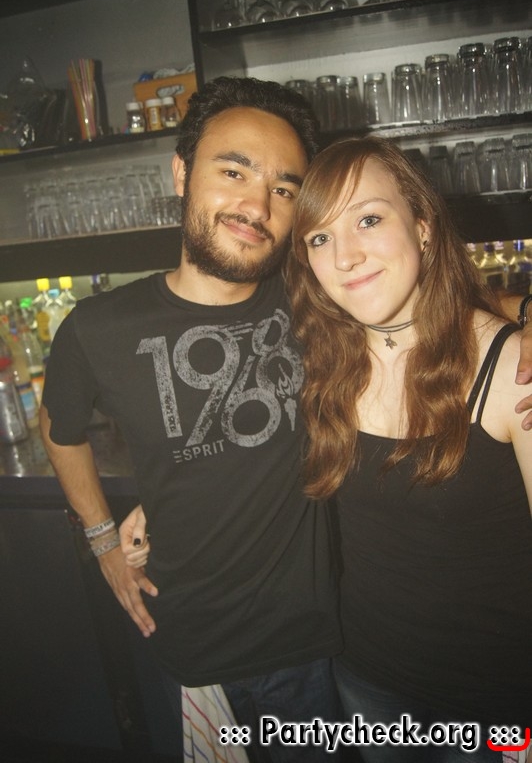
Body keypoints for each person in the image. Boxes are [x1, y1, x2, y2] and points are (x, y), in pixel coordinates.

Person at [39, 76, 345, 763]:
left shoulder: (321, 298)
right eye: (233, 171)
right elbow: (61, 433)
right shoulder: (96, 328)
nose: (257, 206)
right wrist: (103, 542)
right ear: (181, 174)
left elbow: (432, 302)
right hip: (194, 648)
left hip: (314, 647)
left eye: (284, 189)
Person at [285, 135, 532, 762]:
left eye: (369, 219)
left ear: (423, 226)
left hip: (496, 700)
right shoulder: (321, 363)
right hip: (367, 680)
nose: (346, 256)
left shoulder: (512, 369)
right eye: (320, 237)